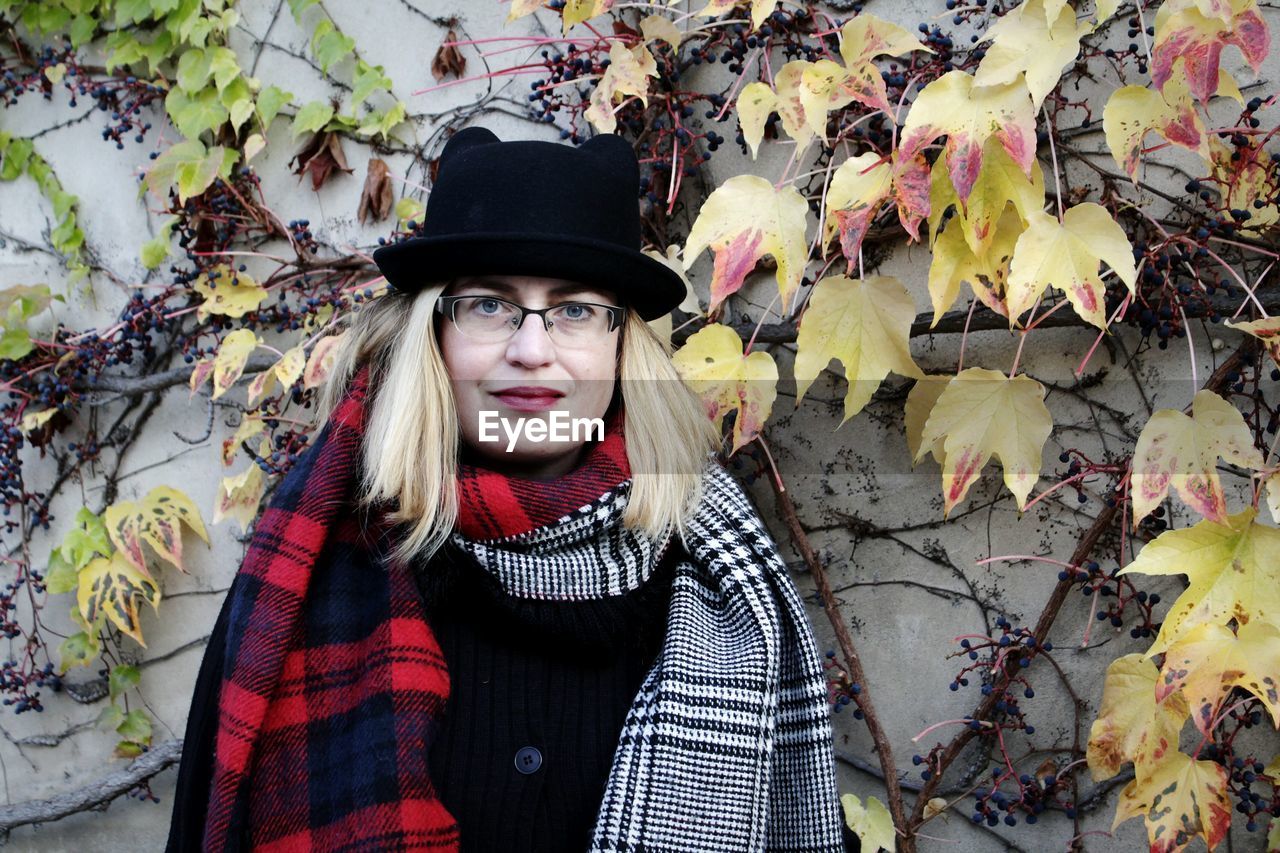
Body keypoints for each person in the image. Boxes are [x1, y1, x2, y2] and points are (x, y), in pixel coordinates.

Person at [165, 126, 860, 851]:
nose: (531, 350)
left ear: (623, 343)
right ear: (430, 335)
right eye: (489, 305)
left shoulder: (720, 583)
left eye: (576, 309)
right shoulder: (311, 567)